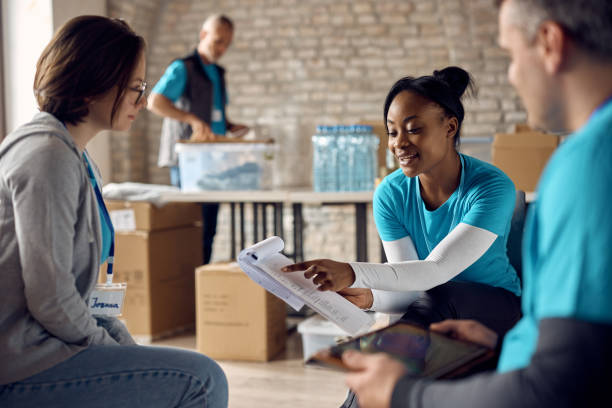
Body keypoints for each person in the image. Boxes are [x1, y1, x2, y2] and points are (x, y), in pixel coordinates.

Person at [340, 0, 612, 407]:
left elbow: (561, 385)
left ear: (550, 43)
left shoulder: (588, 163)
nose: (512, 75)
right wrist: (501, 346)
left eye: (510, 55)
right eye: (393, 132)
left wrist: (405, 395)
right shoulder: (591, 155)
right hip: (480, 324)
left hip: (478, 303)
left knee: (428, 311)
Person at [0, 16, 227, 407]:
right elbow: (51, 298)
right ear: (92, 84)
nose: (142, 101)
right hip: (22, 360)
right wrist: (110, 348)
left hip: (50, 345)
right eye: (136, 88)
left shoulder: (74, 154)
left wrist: (123, 345)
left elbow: (84, 296)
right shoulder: (47, 157)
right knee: (202, 379)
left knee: (180, 368)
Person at [284, 67, 522, 340]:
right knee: (424, 310)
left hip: (497, 307)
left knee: (438, 297)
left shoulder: (491, 186)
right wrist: (369, 298)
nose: (399, 144)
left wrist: (352, 272)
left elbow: (437, 270)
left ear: (450, 127)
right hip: (436, 304)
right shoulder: (390, 193)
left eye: (413, 130)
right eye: (392, 133)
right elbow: (409, 286)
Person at [148, 14, 249, 265]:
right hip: (188, 160)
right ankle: (185, 283)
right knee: (191, 227)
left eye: (227, 44)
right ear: (203, 35)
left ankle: (202, 280)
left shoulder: (218, 73)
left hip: (215, 159)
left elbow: (214, 113)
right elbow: (155, 102)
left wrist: (229, 125)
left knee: (210, 228)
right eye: (218, 41)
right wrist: (191, 120)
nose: (222, 48)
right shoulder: (183, 68)